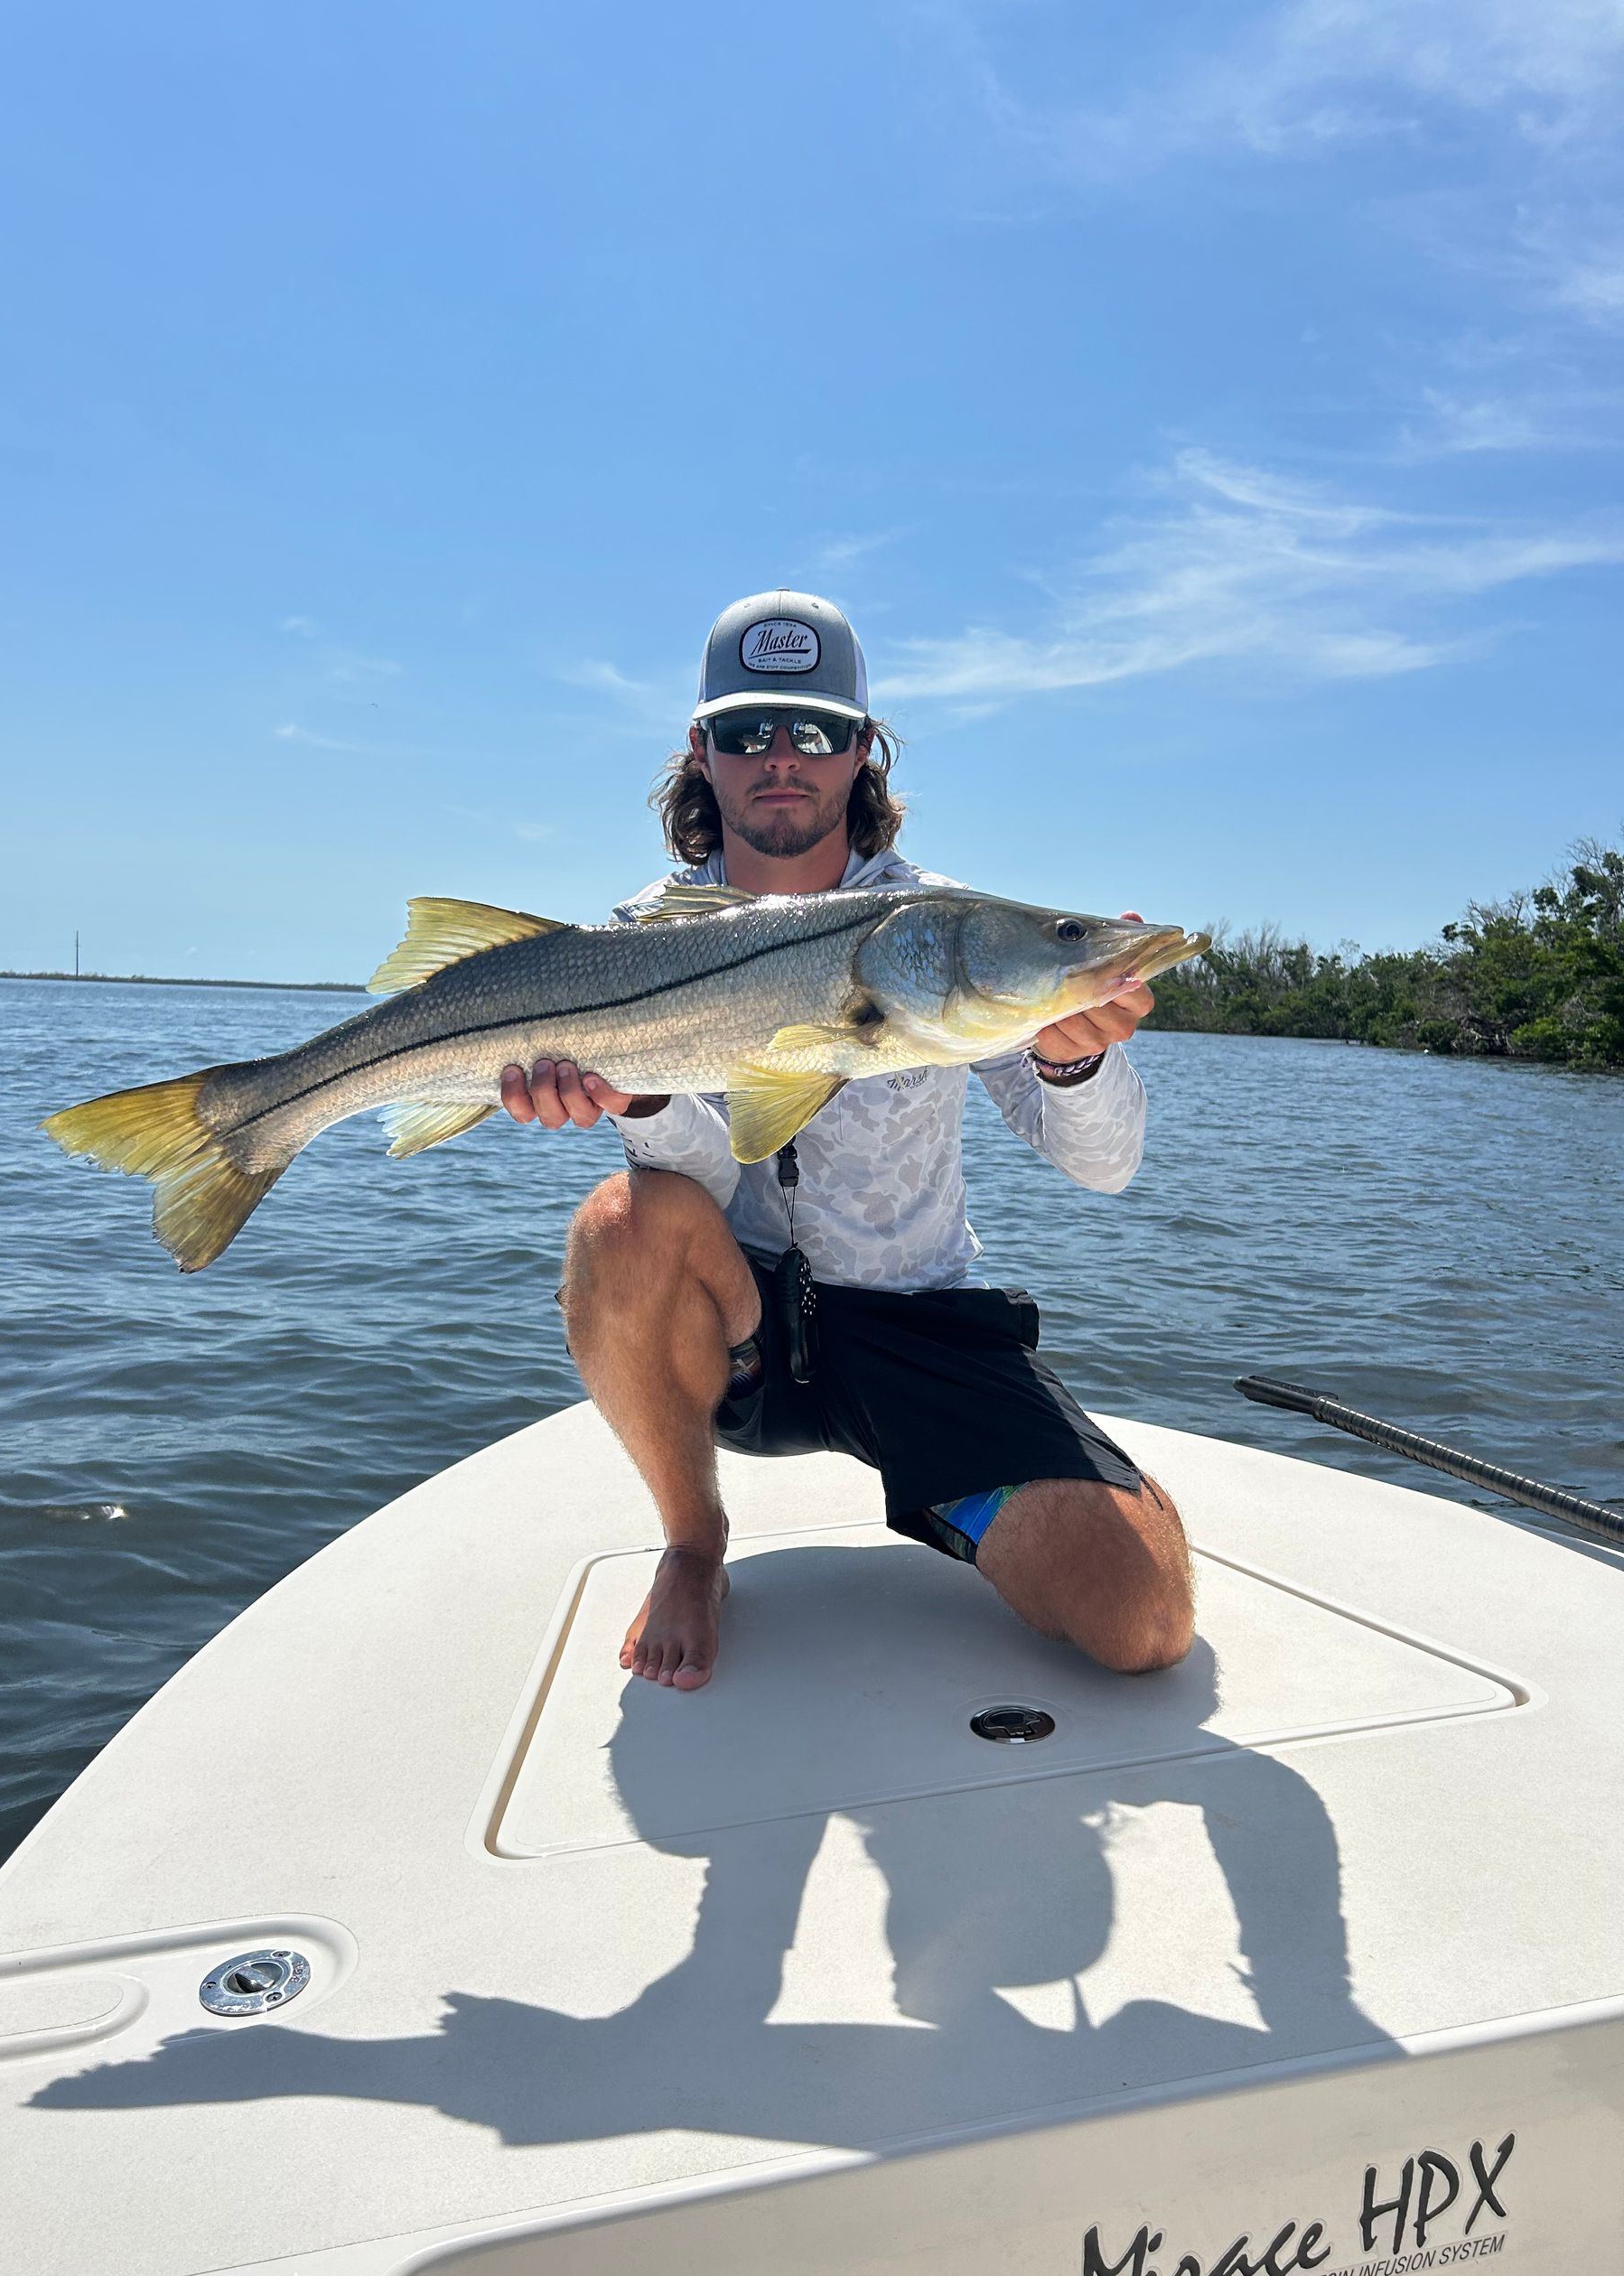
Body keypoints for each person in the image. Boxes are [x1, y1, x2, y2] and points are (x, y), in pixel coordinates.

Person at [500, 590, 1194, 1693]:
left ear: (863, 752)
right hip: (733, 1324)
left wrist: (1072, 1053)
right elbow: (704, 1173)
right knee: (621, 1222)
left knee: (1143, 1618)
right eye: (748, 730)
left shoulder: (942, 928)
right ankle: (693, 1541)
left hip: (917, 1322)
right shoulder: (636, 937)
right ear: (703, 751)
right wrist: (636, 1101)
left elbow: (1105, 1166)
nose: (784, 757)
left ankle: (962, 1487)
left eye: (817, 731)